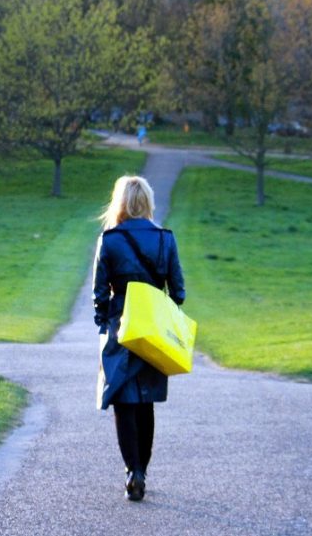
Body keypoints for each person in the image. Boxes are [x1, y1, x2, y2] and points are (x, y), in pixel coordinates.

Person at [92, 175, 185, 501]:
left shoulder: (110, 239)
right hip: (154, 328)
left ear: (119, 202)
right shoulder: (165, 239)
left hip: (121, 326)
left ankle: (133, 470)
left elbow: (99, 296)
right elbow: (180, 292)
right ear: (147, 202)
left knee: (122, 399)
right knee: (146, 401)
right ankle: (142, 469)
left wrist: (104, 325)